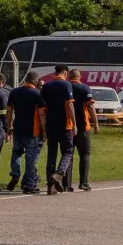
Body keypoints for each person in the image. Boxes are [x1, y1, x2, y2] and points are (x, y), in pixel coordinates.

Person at [4, 71, 47, 193]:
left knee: (16, 152)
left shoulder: (14, 92)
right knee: (30, 158)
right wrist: (43, 131)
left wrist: (9, 127)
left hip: (17, 128)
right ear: (36, 81)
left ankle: (15, 174)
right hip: (32, 130)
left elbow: (9, 110)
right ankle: (29, 185)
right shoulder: (37, 94)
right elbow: (41, 113)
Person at [39, 64, 75, 194]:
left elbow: (42, 110)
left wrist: (43, 128)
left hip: (50, 125)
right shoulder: (66, 85)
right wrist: (74, 124)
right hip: (64, 125)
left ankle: (50, 186)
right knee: (68, 151)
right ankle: (59, 174)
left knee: (51, 154)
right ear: (65, 73)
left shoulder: (46, 86)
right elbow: (70, 105)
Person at [68, 68, 96, 191]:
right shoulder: (85, 88)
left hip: (68, 126)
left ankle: (66, 184)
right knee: (85, 154)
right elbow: (90, 106)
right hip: (83, 126)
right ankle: (83, 183)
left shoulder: (66, 87)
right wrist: (96, 123)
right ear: (79, 76)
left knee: (68, 155)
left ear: (69, 76)